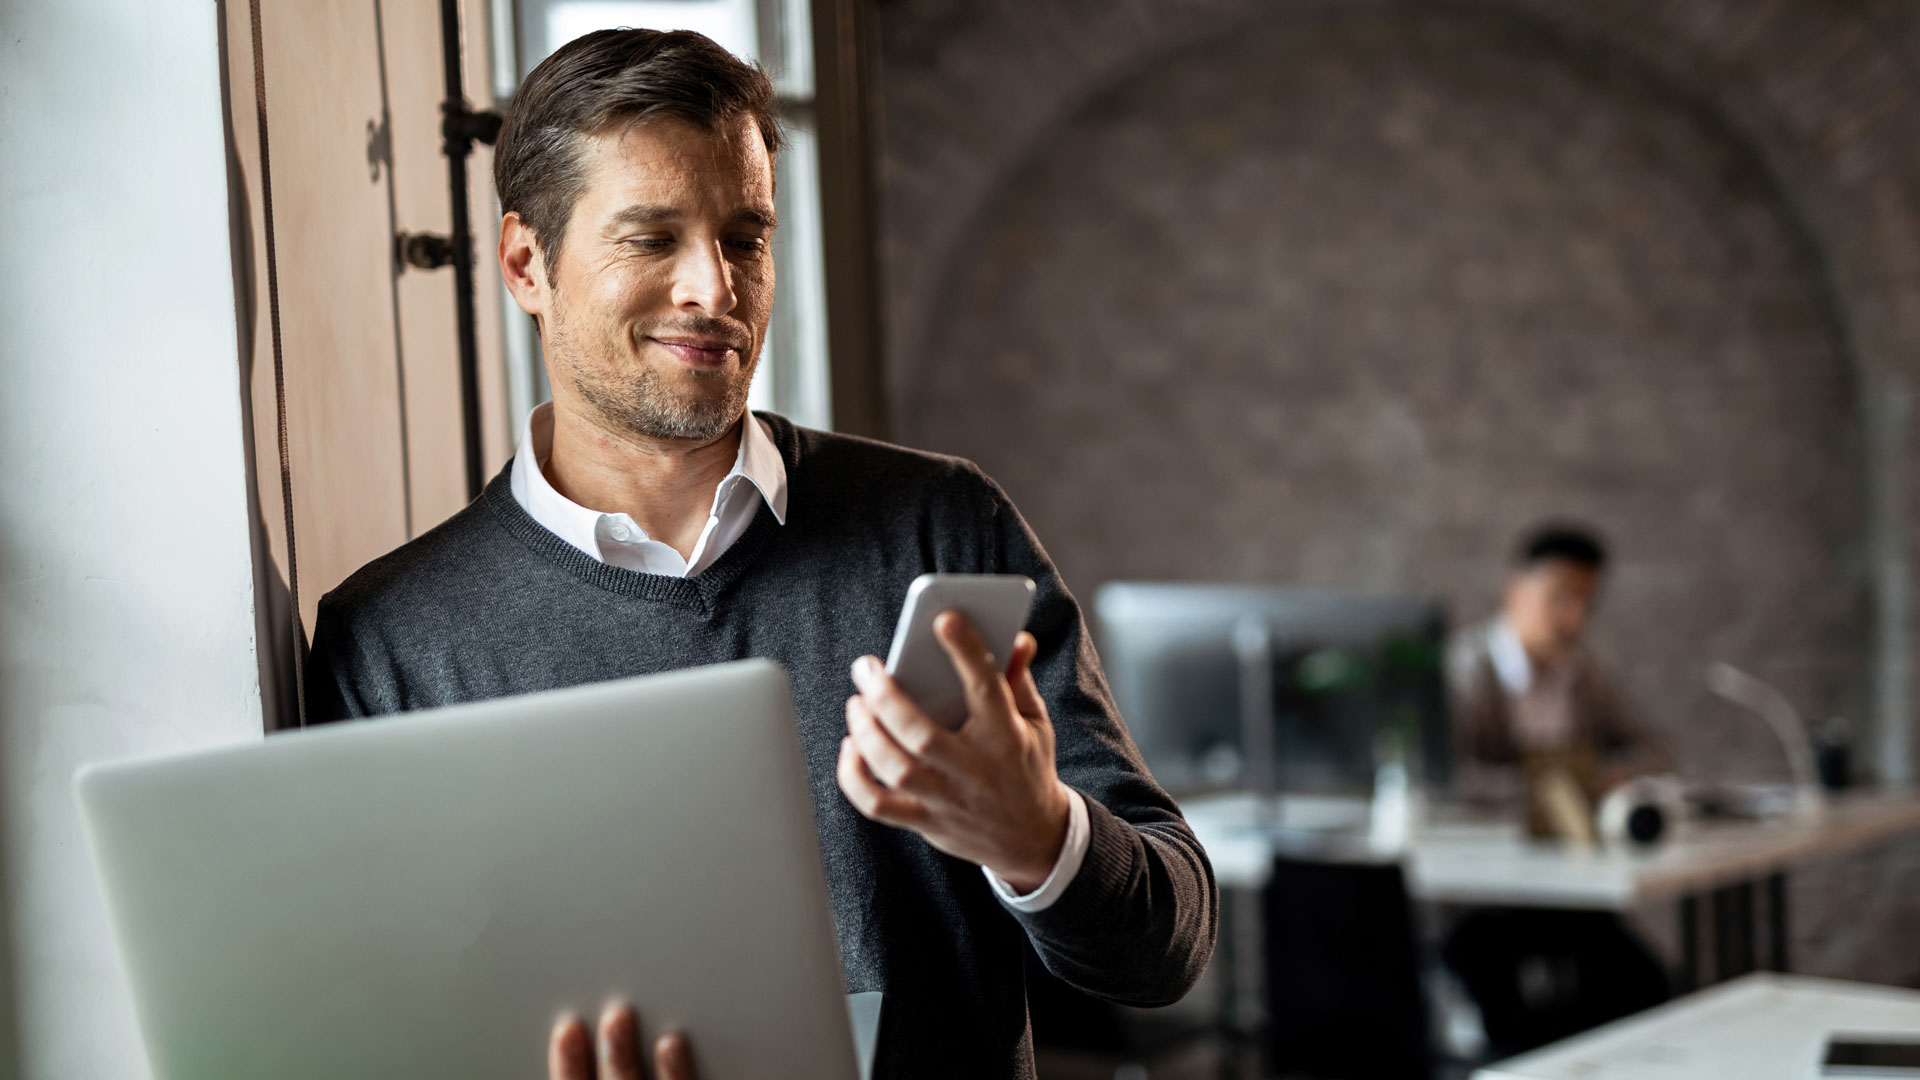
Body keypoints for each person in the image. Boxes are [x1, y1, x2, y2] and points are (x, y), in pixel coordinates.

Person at [301, 28, 1215, 1080]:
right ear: (525, 264)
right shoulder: (392, 643)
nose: (715, 290)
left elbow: (1168, 948)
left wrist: (1036, 835)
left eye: (746, 237)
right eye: (652, 240)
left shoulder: (940, 529)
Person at [1441, 523, 1672, 1055]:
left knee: (1646, 987)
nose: (1575, 620)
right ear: (1515, 592)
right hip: (1486, 899)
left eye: (1587, 604)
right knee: (1518, 1025)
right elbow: (1451, 782)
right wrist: (1557, 787)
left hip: (1570, 891)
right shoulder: (1466, 671)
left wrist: (1611, 776)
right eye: (1560, 600)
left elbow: (1655, 752)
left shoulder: (1581, 674)